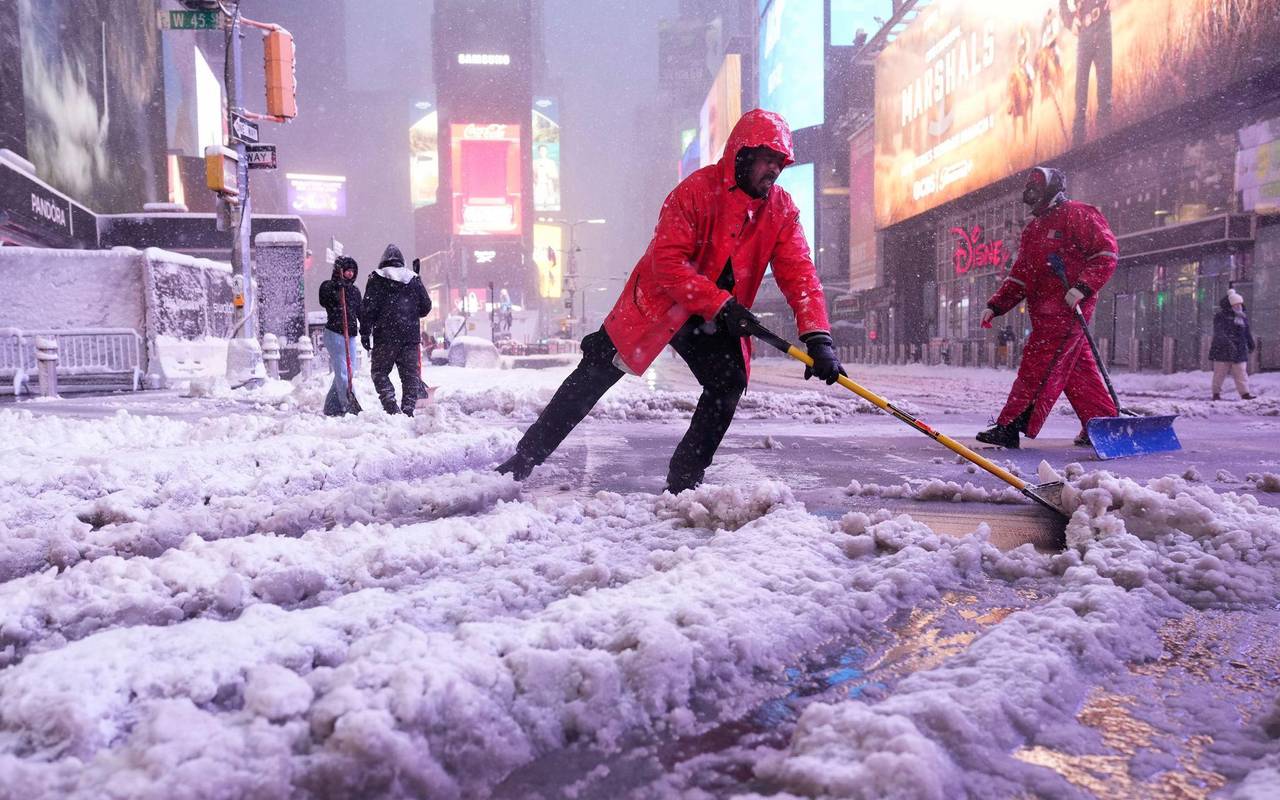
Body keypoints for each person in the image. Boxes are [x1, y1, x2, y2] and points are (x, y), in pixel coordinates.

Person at [497, 109, 842, 492]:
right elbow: (668, 263)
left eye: (780, 162)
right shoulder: (695, 191)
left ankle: (684, 482)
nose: (774, 170)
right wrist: (721, 304)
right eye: (767, 159)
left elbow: (800, 275)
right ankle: (525, 458)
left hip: (713, 318)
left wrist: (818, 338)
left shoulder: (780, 210)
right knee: (594, 372)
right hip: (659, 303)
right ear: (742, 155)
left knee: (728, 383)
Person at [977, 166, 1118, 448]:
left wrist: (1083, 287)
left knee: (1039, 363)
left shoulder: (1079, 214)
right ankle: (1103, 424)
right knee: (1077, 370)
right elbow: (1021, 275)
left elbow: (1106, 253)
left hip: (1067, 309)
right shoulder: (1034, 229)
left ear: (1052, 190)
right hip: (1043, 311)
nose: (1030, 197)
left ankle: (1010, 425)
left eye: (1035, 190)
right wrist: (997, 305)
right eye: (1028, 191)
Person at [359, 244, 432, 416]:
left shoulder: (376, 278)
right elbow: (426, 307)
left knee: (379, 372)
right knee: (410, 377)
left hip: (385, 337)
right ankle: (408, 410)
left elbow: (367, 309)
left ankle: (391, 407)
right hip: (410, 337)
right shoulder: (413, 278)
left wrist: (365, 332)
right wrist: (412, 311)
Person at [1060, 0, 1112, 147]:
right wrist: (1070, 21)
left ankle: (1106, 148)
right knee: (1080, 99)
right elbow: (1062, 4)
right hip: (1084, 33)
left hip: (1102, 24)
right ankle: (1077, 153)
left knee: (1105, 95)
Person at [318, 255, 363, 416]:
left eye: (352, 271)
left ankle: (331, 405)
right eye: (347, 271)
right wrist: (336, 286)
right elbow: (323, 300)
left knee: (348, 372)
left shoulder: (354, 291)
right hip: (335, 334)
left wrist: (365, 331)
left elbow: (361, 313)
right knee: (343, 371)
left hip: (349, 334)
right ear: (339, 271)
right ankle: (348, 405)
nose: (350, 274)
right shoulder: (329, 287)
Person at [1209, 289, 1256, 401]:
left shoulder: (1242, 316)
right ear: (1230, 305)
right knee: (1220, 373)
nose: (1238, 306)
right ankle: (1216, 393)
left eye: (1240, 303)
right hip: (1222, 349)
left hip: (1239, 349)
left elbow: (1246, 331)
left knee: (1241, 373)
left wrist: (1250, 343)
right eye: (1236, 304)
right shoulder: (1221, 316)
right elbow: (1219, 331)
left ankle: (1245, 393)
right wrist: (1228, 342)